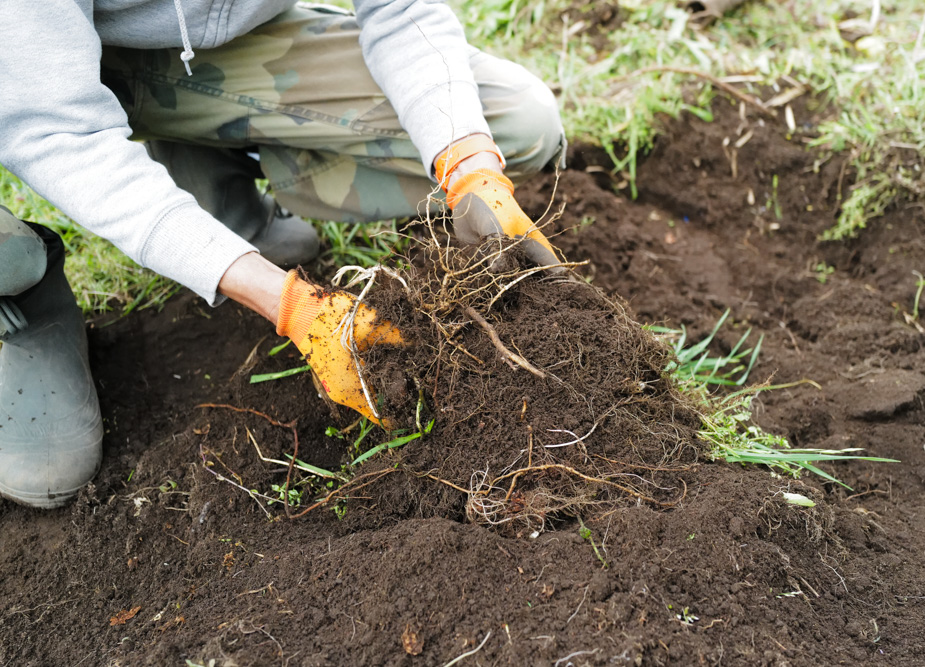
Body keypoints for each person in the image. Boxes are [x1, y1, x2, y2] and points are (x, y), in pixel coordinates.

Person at [0, 1, 565, 509]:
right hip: (32, 73)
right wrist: (288, 302)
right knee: (55, 471)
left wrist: (468, 167)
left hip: (178, 52)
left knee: (520, 123)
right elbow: (54, 130)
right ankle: (21, 295)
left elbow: (400, 8)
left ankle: (199, 161)